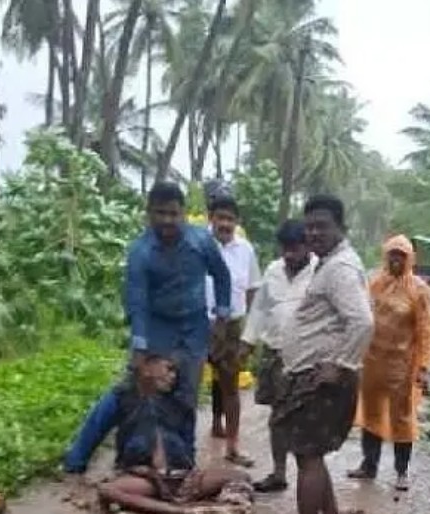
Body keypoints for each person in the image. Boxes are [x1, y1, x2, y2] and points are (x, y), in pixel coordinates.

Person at [261, 195, 374, 514]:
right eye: (309, 226)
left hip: (321, 378)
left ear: (341, 227)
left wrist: (339, 363)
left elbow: (362, 321)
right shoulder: (330, 264)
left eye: (322, 226)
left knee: (307, 456)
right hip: (310, 373)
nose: (314, 233)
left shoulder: (339, 268)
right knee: (312, 453)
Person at [62, 355, 253, 514]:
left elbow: (189, 450)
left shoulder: (181, 403)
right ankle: (181, 512)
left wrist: (190, 477)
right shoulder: (120, 396)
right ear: (146, 366)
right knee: (107, 491)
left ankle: (224, 508)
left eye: (175, 371)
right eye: (168, 369)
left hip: (182, 478)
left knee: (240, 477)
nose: (173, 376)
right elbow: (93, 429)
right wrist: (75, 465)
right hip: (146, 480)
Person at [126, 181, 233, 459]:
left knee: (187, 395)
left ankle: (186, 460)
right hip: (158, 329)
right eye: (160, 213)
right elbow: (136, 301)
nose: (167, 221)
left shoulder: (200, 241)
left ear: (183, 213)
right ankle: (151, 458)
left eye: (173, 214)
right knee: (154, 397)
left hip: (195, 329)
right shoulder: (140, 252)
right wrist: (139, 347)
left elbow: (222, 276)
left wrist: (221, 318)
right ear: (149, 213)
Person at [349, 235, 430, 491]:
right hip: (372, 361)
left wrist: (423, 367)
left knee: (402, 418)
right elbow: (361, 316)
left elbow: (426, 330)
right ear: (386, 256)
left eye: (401, 255)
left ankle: (401, 471)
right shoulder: (375, 282)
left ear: (410, 259)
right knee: (371, 413)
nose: (396, 259)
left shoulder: (419, 290)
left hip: (401, 365)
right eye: (392, 254)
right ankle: (369, 465)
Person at [240, 219, 317, 493]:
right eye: (285, 248)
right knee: (276, 416)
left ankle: (310, 477)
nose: (288, 254)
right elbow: (260, 309)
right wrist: (247, 341)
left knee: (301, 418)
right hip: (273, 353)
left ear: (307, 245)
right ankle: (279, 472)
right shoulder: (273, 271)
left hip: (305, 357)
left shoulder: (320, 272)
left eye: (294, 248)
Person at [203, 194, 261, 464]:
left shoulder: (245, 249)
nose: (225, 223)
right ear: (210, 218)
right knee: (186, 386)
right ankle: (178, 449)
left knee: (230, 386)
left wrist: (250, 332)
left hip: (232, 327)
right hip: (198, 324)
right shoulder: (197, 244)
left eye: (230, 219)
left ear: (237, 222)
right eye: (220, 217)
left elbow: (252, 291)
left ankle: (233, 446)